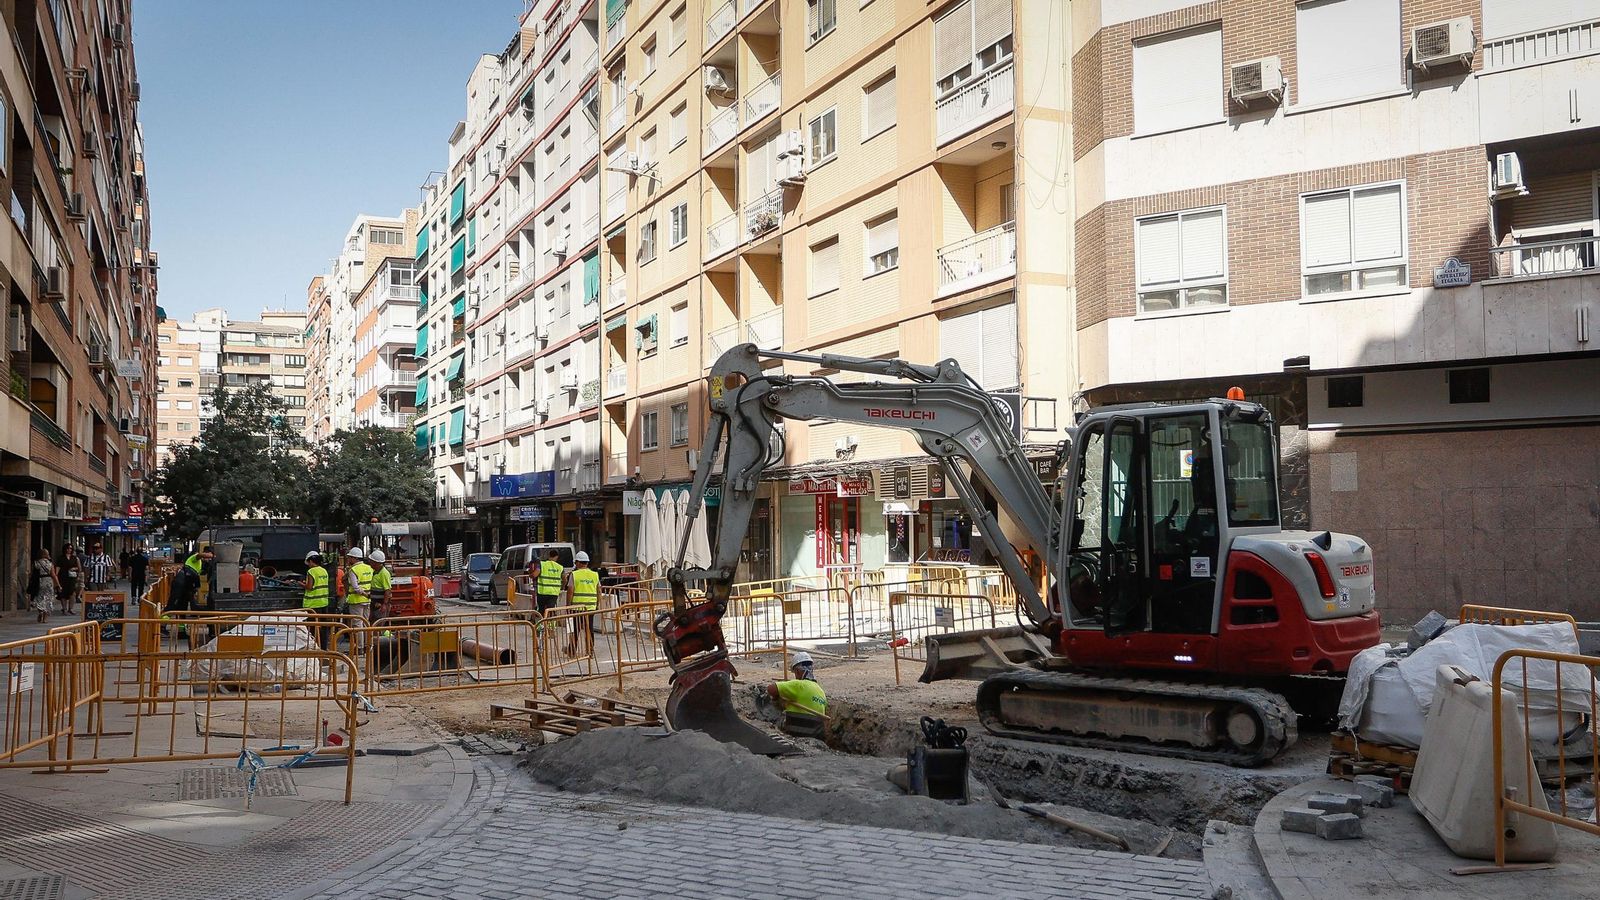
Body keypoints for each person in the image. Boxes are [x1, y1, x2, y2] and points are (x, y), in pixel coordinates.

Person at [767, 651, 828, 738]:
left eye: (795, 673)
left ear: (798, 671)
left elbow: (770, 689)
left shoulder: (798, 685)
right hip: (817, 737)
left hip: (798, 735)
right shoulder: (821, 691)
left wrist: (777, 698)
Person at [564, 551, 600, 656]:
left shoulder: (574, 574)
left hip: (577, 607)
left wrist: (568, 605)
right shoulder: (595, 575)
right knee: (589, 629)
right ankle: (590, 651)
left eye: (576, 563)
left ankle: (572, 651)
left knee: (575, 629)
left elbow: (570, 590)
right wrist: (597, 604)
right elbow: (599, 590)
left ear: (579, 563)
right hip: (590, 607)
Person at [299, 551, 333, 650]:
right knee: (323, 627)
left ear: (311, 561)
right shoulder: (324, 571)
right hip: (323, 602)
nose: (308, 565)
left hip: (313, 604)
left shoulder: (311, 571)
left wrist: (300, 583)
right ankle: (323, 647)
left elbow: (309, 587)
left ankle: (314, 647)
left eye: (308, 562)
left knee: (312, 628)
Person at [345, 548, 373, 652]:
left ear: (355, 558)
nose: (348, 559)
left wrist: (364, 594)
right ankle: (368, 646)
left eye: (350, 557)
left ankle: (360, 647)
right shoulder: (369, 568)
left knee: (358, 624)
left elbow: (355, 587)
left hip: (356, 600)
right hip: (368, 599)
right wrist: (368, 595)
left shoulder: (353, 570)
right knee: (366, 623)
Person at [27, 547, 59, 623]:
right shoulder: (50, 563)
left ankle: (40, 611)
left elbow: (32, 574)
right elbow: (53, 575)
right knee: (48, 599)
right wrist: (58, 585)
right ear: (47, 555)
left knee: (40, 598)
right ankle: (45, 619)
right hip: (48, 582)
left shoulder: (36, 563)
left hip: (39, 582)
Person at [535, 549, 564, 614]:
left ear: (549, 555)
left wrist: (530, 574)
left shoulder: (542, 564)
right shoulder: (560, 567)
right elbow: (564, 579)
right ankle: (550, 623)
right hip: (554, 593)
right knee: (550, 610)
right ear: (557, 557)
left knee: (541, 610)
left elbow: (535, 574)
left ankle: (541, 623)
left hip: (542, 592)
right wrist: (562, 587)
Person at [57, 545, 82, 616]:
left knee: (72, 593)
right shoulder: (61, 558)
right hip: (63, 577)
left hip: (72, 577)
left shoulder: (75, 558)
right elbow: (58, 568)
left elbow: (79, 568)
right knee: (63, 593)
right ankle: (64, 609)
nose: (69, 550)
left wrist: (75, 569)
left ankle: (71, 608)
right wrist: (56, 577)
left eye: (71, 548)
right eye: (68, 548)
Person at [367, 549, 391, 616]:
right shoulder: (375, 571)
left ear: (376, 562)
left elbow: (387, 590)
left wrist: (384, 604)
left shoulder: (384, 573)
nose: (370, 562)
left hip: (380, 605)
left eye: (371, 561)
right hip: (374, 604)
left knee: (378, 624)